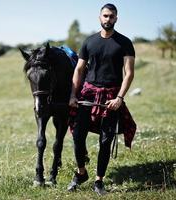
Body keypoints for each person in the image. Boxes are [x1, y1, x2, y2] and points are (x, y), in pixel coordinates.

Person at [67, 3, 136, 195]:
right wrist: (73, 95)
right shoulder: (89, 42)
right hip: (87, 94)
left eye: (111, 16)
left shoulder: (125, 43)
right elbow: (79, 70)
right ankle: (81, 173)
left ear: (116, 18)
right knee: (78, 135)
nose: (108, 19)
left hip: (111, 96)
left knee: (106, 140)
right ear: (100, 17)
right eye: (105, 16)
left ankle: (99, 181)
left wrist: (120, 98)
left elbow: (129, 73)